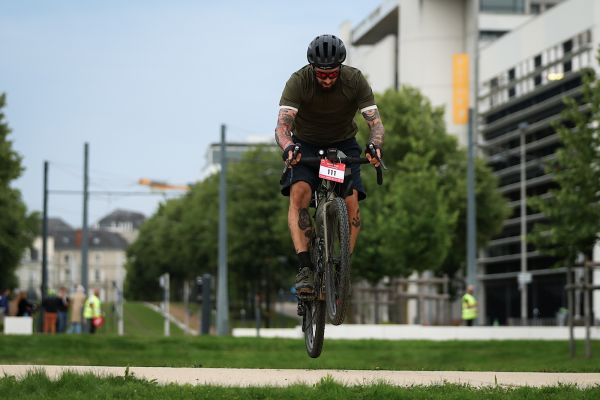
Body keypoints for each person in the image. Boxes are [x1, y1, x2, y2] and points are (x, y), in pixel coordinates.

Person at [276, 34, 385, 299]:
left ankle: (341, 268)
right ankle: (305, 268)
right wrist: (289, 147)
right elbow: (283, 125)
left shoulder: (355, 80)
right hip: (306, 147)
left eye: (332, 74)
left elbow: (375, 123)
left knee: (351, 203)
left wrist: (374, 145)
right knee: (299, 193)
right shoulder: (298, 81)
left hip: (342, 146)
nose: (327, 79)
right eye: (321, 75)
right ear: (313, 68)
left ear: (341, 68)